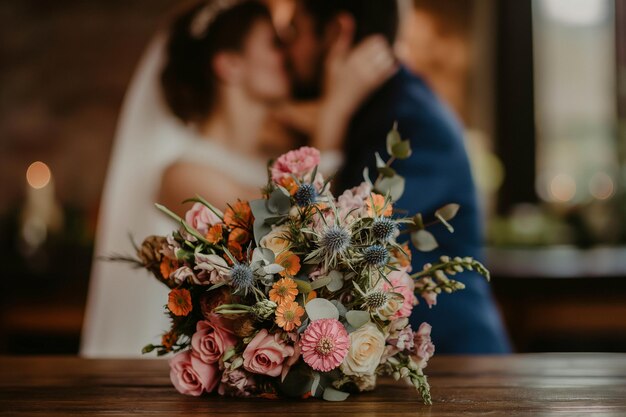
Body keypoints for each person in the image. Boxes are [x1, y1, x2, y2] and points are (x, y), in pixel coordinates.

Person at [81, 0, 395, 357]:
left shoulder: (281, 154)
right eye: (274, 43)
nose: (288, 54)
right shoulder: (183, 175)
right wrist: (337, 107)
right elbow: (291, 232)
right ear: (229, 65)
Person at [284, 0, 511, 353]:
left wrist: (334, 110)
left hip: (451, 363)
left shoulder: (412, 123)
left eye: (294, 32)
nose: (285, 48)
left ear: (335, 32)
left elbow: (340, 251)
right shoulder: (373, 108)